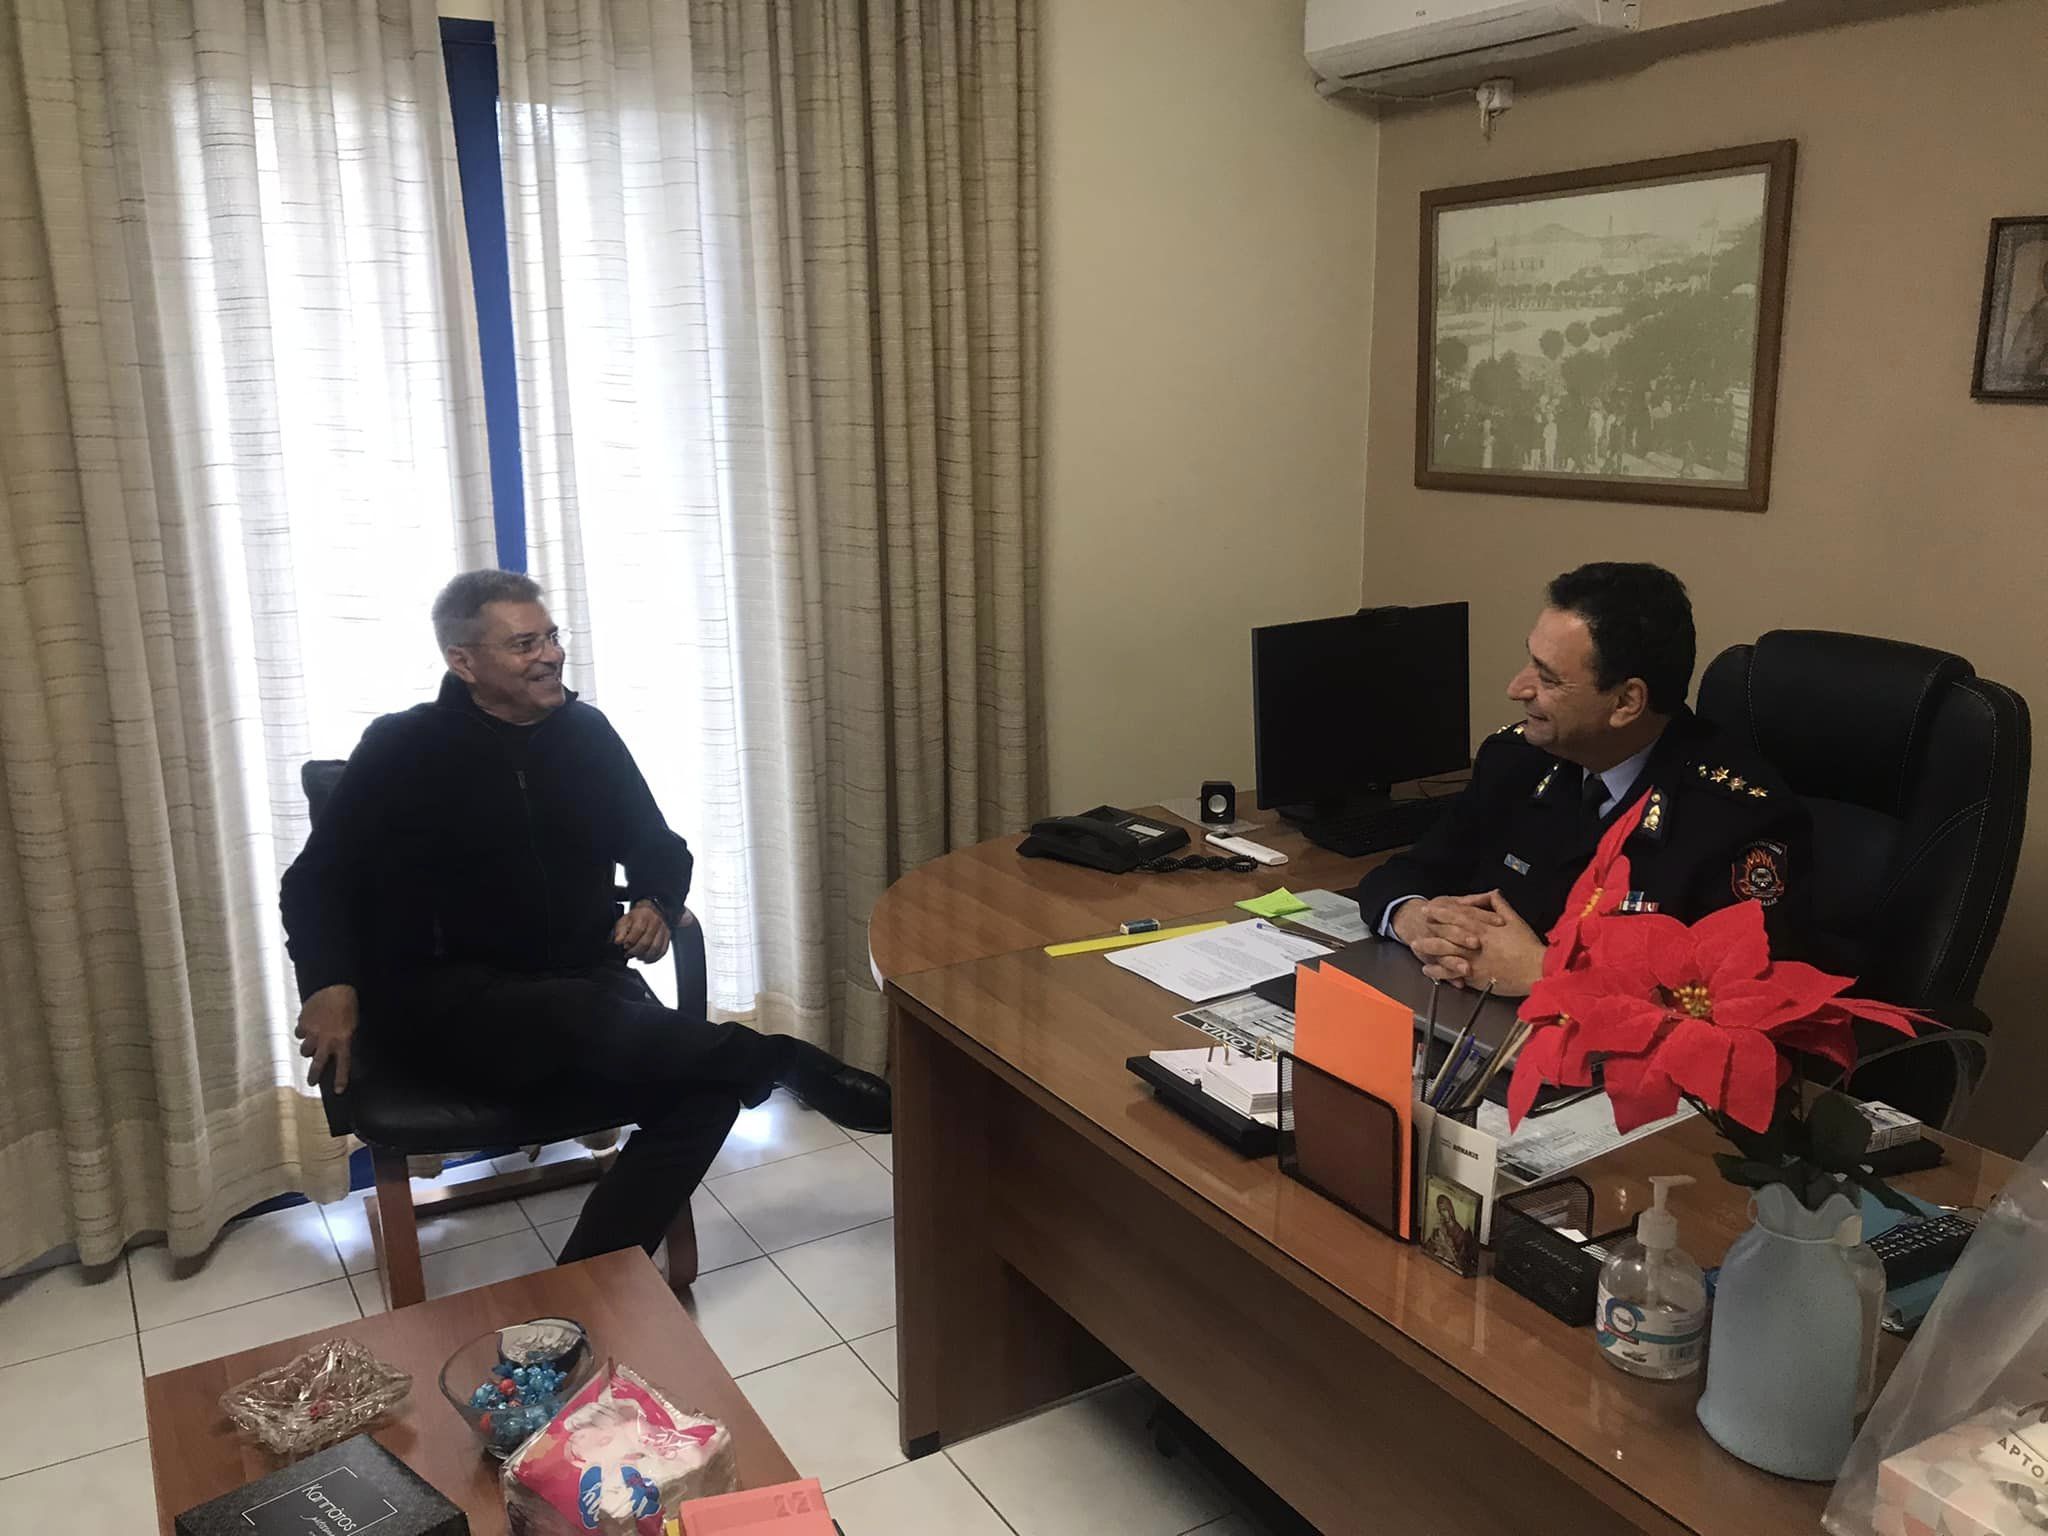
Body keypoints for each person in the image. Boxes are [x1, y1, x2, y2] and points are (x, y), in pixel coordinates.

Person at [281, 570, 890, 1271]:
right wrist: (327, 982)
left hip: (583, 988)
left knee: (704, 1089)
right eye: (524, 645)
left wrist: (655, 900)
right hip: (447, 1004)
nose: (551, 655)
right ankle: (783, 1060)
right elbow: (314, 880)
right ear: (464, 661)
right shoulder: (401, 747)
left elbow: (658, 846)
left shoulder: (586, 734)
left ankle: (587, 1283)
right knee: (585, 1013)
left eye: (551, 636)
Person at [1350, 562, 1811, 997]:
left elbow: (1741, 1000)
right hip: (1467, 1018)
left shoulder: (1736, 817)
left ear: (1626, 702)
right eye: (1530, 661)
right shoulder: (1515, 762)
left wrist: (1545, 974)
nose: (1517, 688)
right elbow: (1406, 873)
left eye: (1548, 679)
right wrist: (1416, 919)